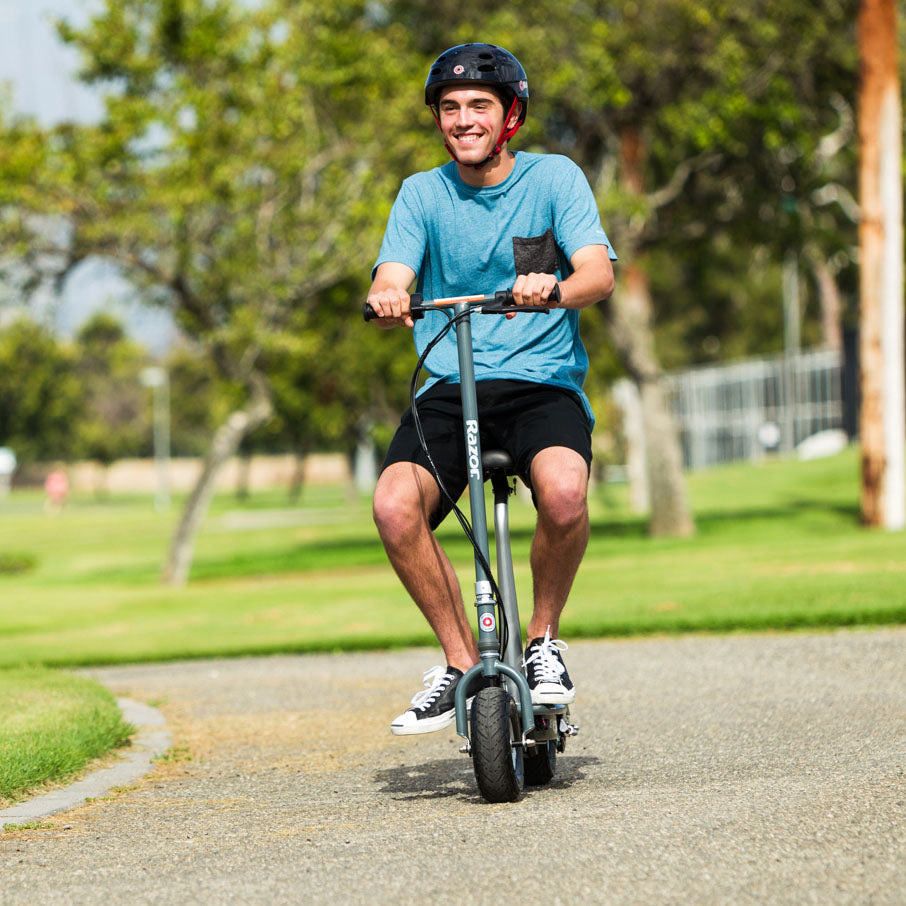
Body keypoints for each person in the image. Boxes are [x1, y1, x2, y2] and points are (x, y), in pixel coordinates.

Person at [367, 43, 617, 735]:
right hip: (451, 386)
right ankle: (458, 663)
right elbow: (393, 273)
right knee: (393, 506)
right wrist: (388, 295)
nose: (463, 119)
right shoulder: (422, 194)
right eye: (449, 108)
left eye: (479, 105)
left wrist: (554, 288)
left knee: (564, 492)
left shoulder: (554, 179)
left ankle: (541, 642)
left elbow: (597, 274)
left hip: (541, 385)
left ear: (510, 116)